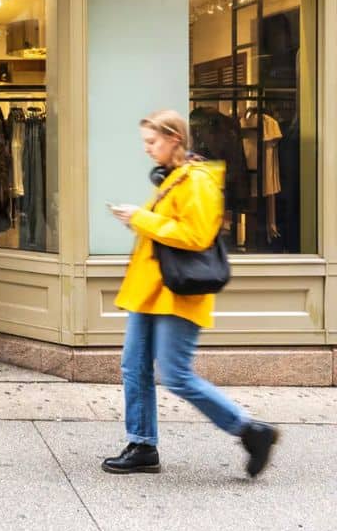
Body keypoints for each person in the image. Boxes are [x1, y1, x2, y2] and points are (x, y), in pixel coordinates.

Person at [101, 109, 279, 477]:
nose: (147, 149)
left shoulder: (197, 181)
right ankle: (142, 445)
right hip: (150, 291)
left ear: (175, 139)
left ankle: (249, 430)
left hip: (179, 292)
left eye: (152, 142)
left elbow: (196, 236)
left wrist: (139, 217)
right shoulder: (174, 180)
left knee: (176, 374)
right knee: (134, 367)